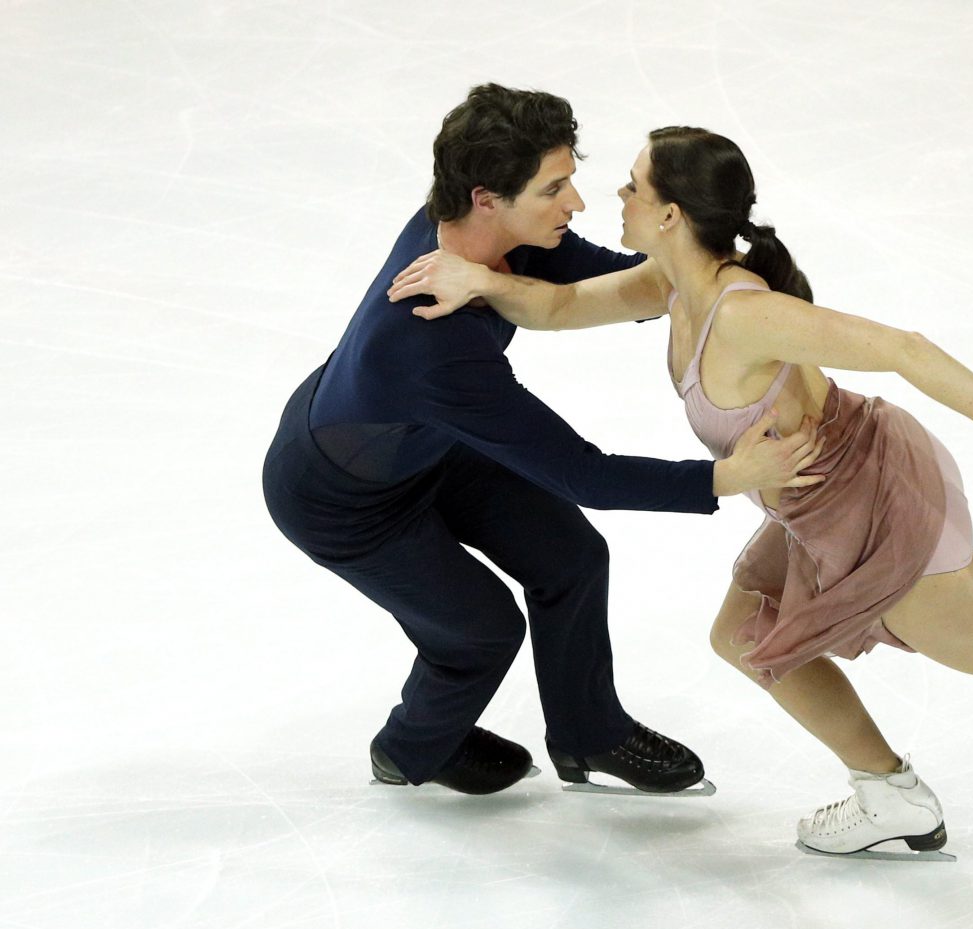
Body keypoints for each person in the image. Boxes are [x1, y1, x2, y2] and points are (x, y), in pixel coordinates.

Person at [387, 125, 973, 855]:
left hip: (878, 515)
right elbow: (560, 308)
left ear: (667, 213)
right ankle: (888, 791)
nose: (608, 199)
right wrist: (482, 280)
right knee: (743, 634)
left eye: (626, 186)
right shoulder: (670, 282)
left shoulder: (745, 312)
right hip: (809, 506)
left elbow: (906, 348)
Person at [261, 91, 826, 800]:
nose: (577, 204)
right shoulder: (433, 343)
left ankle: (589, 735)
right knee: (481, 632)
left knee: (571, 557)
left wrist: (713, 270)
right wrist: (725, 475)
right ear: (486, 198)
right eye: (554, 189)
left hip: (425, 440)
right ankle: (409, 748)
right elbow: (582, 473)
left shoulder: (489, 234)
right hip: (341, 498)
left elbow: (607, 283)